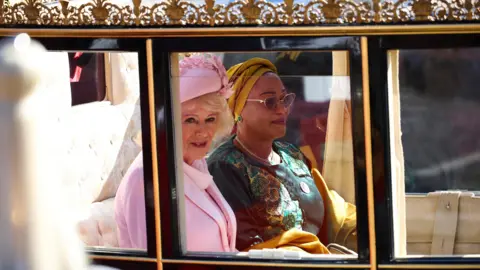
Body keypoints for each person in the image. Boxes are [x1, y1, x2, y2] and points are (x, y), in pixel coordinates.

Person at [207, 57, 356, 254]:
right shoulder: (225, 166)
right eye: (269, 101)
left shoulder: (292, 154)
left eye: (285, 99)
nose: (282, 109)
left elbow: (334, 213)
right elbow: (248, 248)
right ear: (238, 109)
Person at [115, 54, 237, 252]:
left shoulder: (195, 163)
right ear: (167, 121)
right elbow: (154, 264)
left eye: (211, 119)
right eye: (190, 120)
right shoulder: (145, 178)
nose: (203, 131)